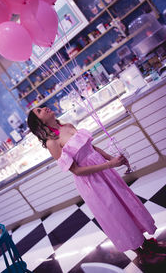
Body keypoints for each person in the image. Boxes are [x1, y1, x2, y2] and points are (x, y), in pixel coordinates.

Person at [27, 106, 166, 265]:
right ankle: (141, 253)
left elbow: (91, 148)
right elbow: (77, 170)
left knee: (125, 203)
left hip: (104, 170)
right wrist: (109, 165)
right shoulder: (52, 143)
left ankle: (147, 244)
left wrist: (112, 159)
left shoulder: (68, 126)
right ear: (39, 123)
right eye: (39, 111)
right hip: (91, 181)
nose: (44, 108)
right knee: (116, 213)